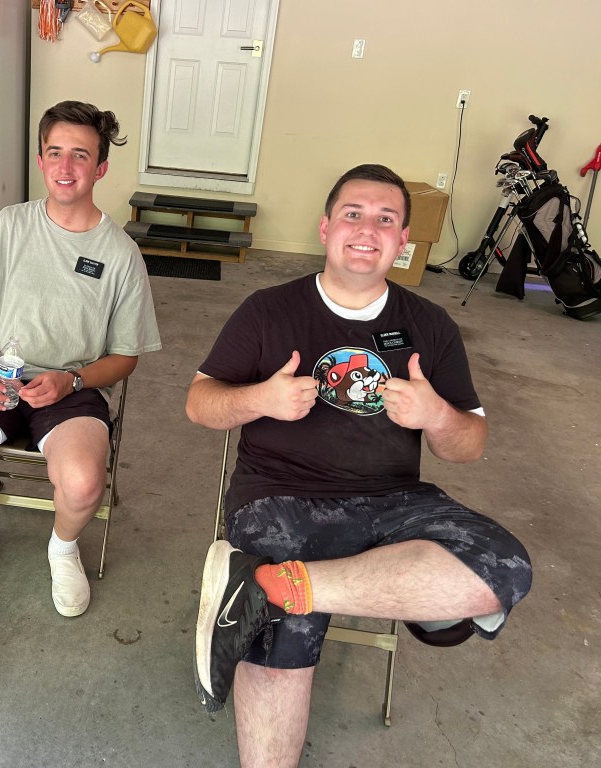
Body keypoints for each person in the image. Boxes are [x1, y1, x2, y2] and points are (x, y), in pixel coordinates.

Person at [187, 164, 532, 767]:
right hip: (280, 497)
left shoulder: (430, 325)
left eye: (385, 219)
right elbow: (199, 403)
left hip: (395, 501)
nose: (367, 229)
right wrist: (260, 399)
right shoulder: (268, 310)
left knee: (503, 568)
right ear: (326, 228)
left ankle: (265, 588)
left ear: (403, 241)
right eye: (353, 214)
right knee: (281, 637)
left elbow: (469, 445)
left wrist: (436, 414)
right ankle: (277, 596)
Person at [0, 100, 161, 617]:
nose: (66, 167)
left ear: (100, 168)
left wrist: (71, 380)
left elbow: (125, 356)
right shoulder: (9, 225)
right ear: (41, 160)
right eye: (55, 152)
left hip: (73, 388)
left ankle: (62, 549)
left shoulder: (120, 254)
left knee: (84, 484)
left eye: (81, 155)